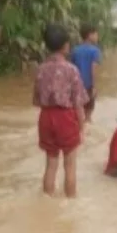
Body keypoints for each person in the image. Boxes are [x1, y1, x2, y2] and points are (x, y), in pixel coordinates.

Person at [33, 23, 89, 197]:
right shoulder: (71, 70)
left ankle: (47, 199)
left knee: (51, 164)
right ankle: (71, 202)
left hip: (46, 117)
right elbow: (78, 103)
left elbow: (36, 100)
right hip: (66, 117)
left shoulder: (40, 70)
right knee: (70, 165)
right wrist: (82, 127)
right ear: (66, 46)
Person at [70, 25, 103, 123]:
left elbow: (71, 68)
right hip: (88, 86)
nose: (97, 37)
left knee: (77, 111)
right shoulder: (95, 51)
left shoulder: (75, 50)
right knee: (88, 113)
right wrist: (94, 86)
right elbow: (93, 69)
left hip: (75, 85)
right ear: (90, 35)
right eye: (96, 34)